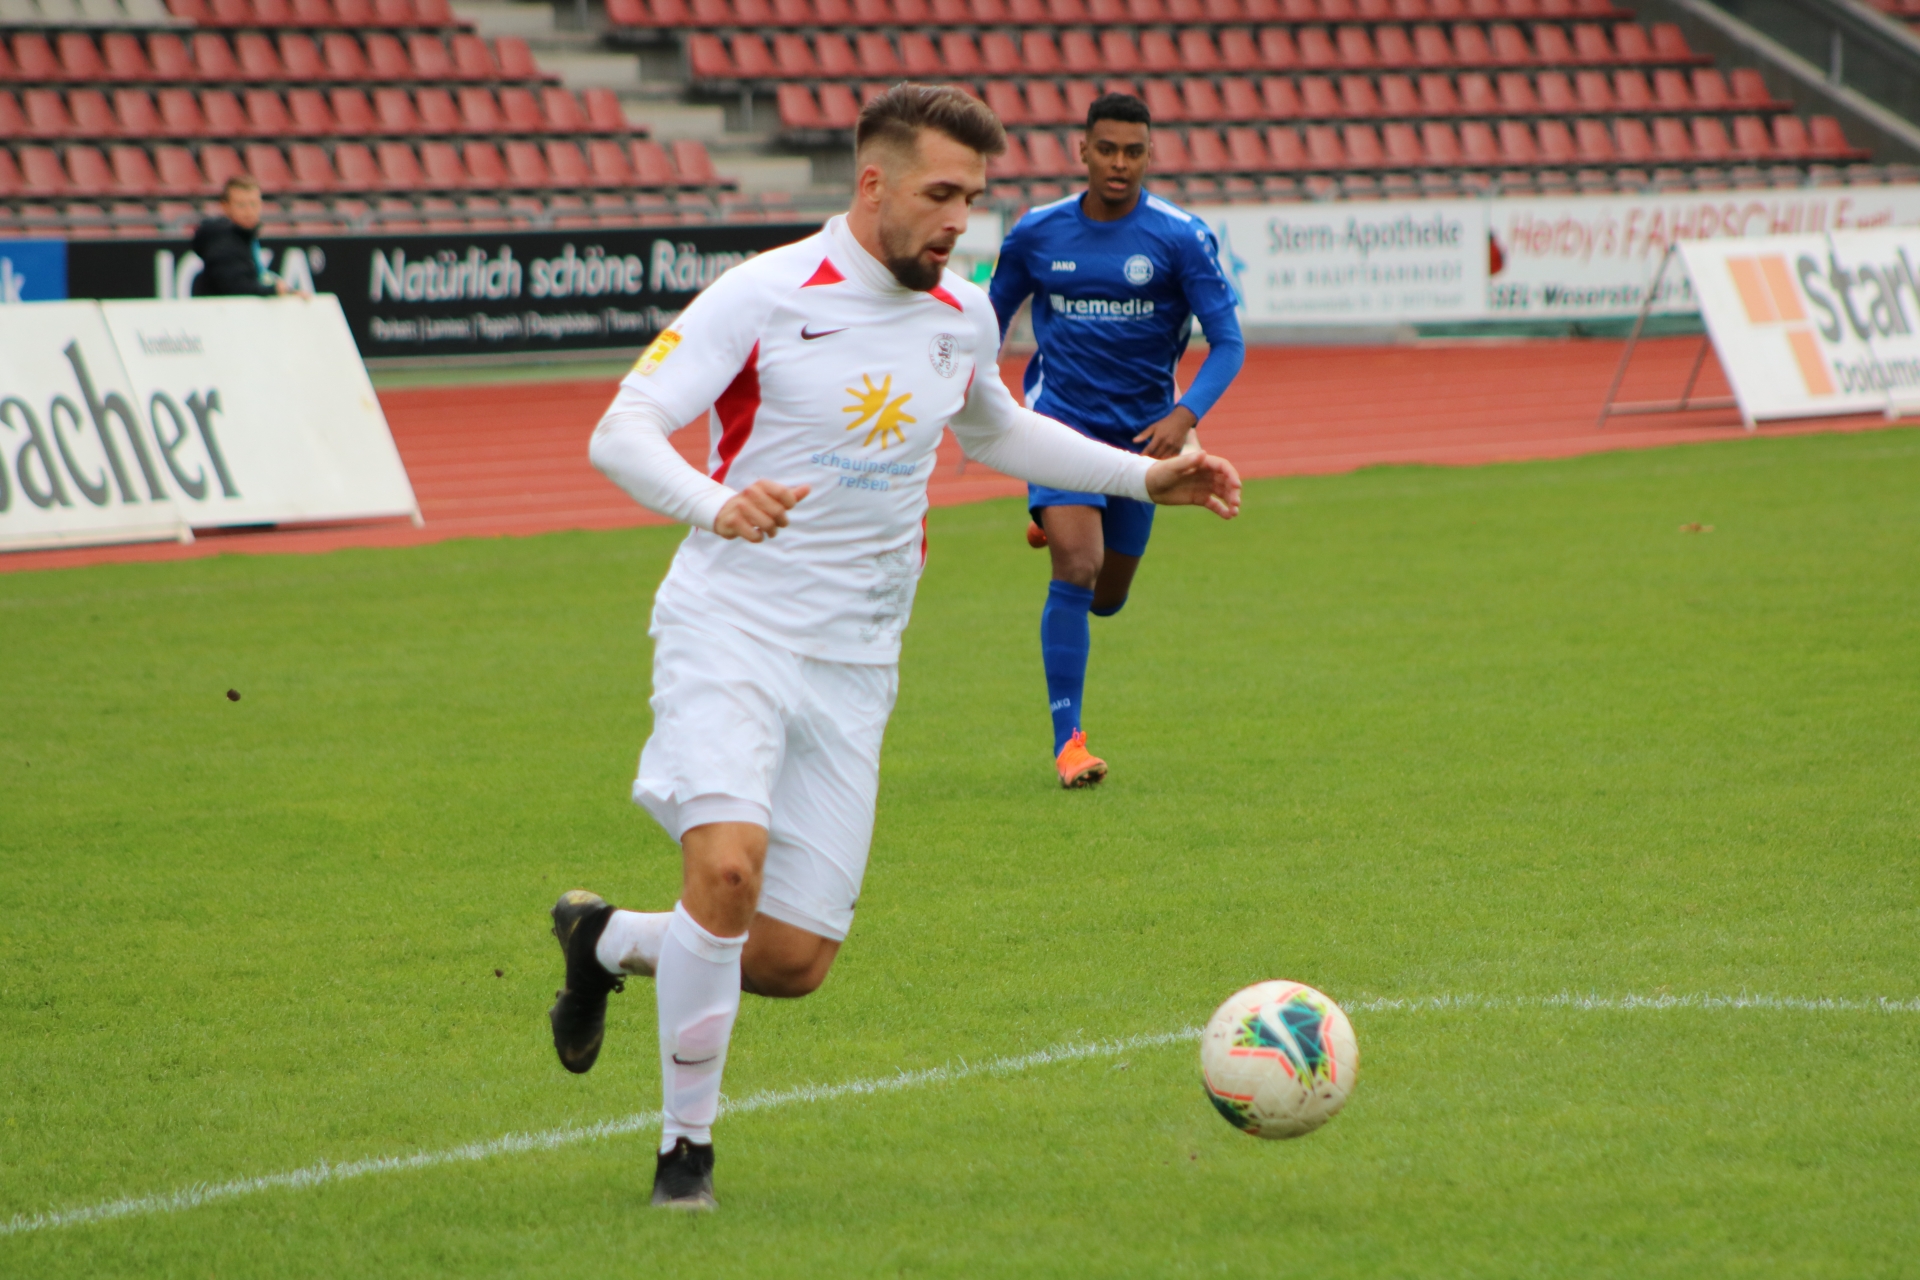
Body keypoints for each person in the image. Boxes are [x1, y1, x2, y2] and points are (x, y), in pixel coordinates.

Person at [551, 83, 1243, 1211]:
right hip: (733, 627)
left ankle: (603, 937)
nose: (957, 221)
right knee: (727, 870)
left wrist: (1142, 471)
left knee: (788, 960)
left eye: (971, 197)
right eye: (938, 193)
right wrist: (711, 502)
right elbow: (620, 429)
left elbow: (992, 426)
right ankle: (687, 1157)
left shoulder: (960, 311)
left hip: (860, 657)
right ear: (872, 183)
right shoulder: (762, 294)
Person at [987, 92, 1246, 789]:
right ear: (1082, 149)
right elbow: (984, 322)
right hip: (1059, 425)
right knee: (1076, 566)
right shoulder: (1037, 233)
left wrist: (1184, 415)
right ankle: (1068, 745)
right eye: (1107, 149)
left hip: (1144, 443)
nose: (1120, 163)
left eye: (1134, 151)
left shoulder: (1180, 237)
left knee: (1106, 596)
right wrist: (985, 405)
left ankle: (1060, 525)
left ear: (1149, 152)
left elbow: (1227, 343)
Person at [190, 175, 298, 297]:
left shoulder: (245, 238)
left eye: (253, 204)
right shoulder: (220, 242)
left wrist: (287, 292)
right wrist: (272, 290)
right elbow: (236, 288)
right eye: (241, 205)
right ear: (226, 206)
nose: (249, 211)